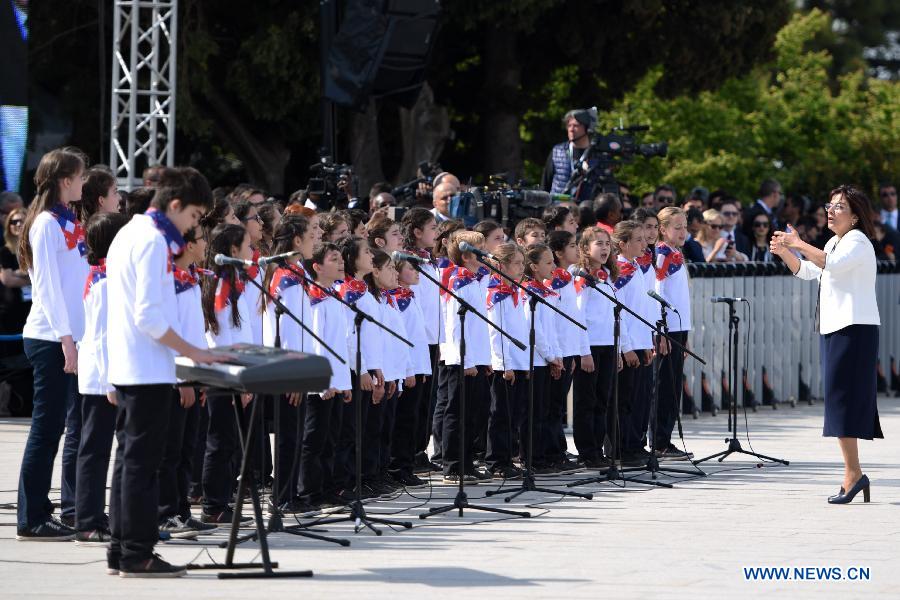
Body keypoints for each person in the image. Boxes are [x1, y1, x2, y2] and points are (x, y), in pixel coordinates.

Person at [105, 170, 219, 576]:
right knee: (142, 465)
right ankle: (137, 553)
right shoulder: (152, 240)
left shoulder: (130, 233)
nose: (193, 226)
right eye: (193, 216)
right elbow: (149, 316)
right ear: (174, 206)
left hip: (131, 363)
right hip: (147, 366)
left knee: (130, 462)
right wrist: (193, 355)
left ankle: (122, 550)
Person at [771, 184, 881, 504]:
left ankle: (853, 474)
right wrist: (786, 252)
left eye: (839, 207)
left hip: (854, 329)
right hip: (836, 329)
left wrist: (798, 242)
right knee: (838, 401)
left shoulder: (858, 241)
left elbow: (829, 265)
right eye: (829, 206)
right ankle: (854, 473)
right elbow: (809, 272)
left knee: (842, 401)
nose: (831, 211)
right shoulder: (835, 242)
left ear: (856, 217)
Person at [15, 147, 90, 542]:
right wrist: (66, 340)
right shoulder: (45, 224)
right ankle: (31, 516)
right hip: (49, 338)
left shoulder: (67, 220)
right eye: (79, 176)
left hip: (68, 337)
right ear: (64, 180)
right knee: (46, 429)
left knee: (57, 427)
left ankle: (44, 511)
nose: (83, 182)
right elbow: (45, 287)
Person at [73, 212, 128, 546]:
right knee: (94, 450)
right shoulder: (105, 282)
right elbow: (104, 335)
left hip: (104, 376)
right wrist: (110, 384)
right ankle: (87, 520)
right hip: (101, 380)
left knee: (98, 448)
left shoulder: (107, 276)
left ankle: (95, 514)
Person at [571, 226, 617, 468]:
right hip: (589, 347)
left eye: (607, 244)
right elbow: (578, 316)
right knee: (586, 401)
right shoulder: (582, 277)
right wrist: (584, 351)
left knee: (602, 400)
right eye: (599, 244)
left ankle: (598, 448)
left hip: (608, 344)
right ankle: (587, 450)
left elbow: (611, 315)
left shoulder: (607, 275)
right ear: (585, 249)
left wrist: (617, 349)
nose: (605, 248)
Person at [484, 242, 527, 480]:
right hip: (505, 364)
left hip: (518, 362)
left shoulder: (516, 292)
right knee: (500, 413)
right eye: (517, 263)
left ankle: (508, 457)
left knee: (514, 414)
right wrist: (505, 364)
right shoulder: (497, 294)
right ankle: (496, 460)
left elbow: (519, 330)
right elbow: (496, 333)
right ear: (501, 266)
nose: (522, 268)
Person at [653, 207, 692, 460]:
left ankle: (665, 438)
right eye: (676, 227)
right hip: (668, 328)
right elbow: (657, 290)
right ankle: (658, 440)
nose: (682, 232)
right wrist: (661, 329)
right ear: (663, 229)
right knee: (664, 385)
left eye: (685, 226)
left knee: (674, 385)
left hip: (680, 328)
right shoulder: (662, 254)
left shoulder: (676, 253)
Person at [541, 109, 596, 200]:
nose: (571, 129)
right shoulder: (558, 151)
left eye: (576, 125)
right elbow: (545, 184)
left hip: (586, 209)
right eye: (569, 125)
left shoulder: (595, 154)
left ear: (587, 128)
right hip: (558, 209)